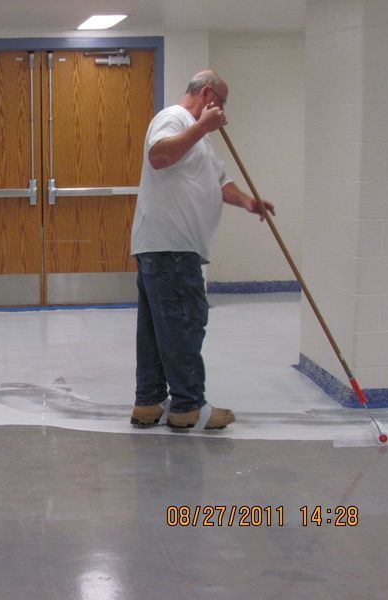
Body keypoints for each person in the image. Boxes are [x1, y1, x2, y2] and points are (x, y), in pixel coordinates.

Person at [129, 71, 275, 430]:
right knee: (184, 326)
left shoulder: (199, 139)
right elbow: (159, 157)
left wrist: (247, 202)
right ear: (208, 93)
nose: (223, 111)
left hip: (165, 247)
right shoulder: (174, 119)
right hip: (173, 249)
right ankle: (189, 407)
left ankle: (149, 402)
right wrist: (202, 128)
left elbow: (219, 181)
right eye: (222, 103)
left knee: (156, 330)